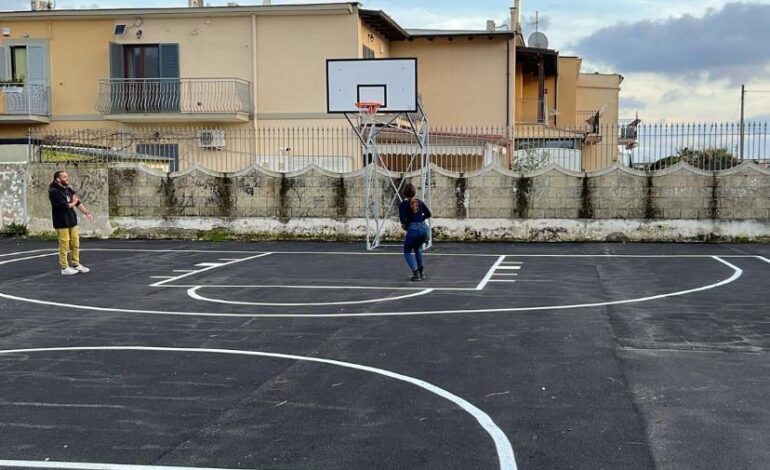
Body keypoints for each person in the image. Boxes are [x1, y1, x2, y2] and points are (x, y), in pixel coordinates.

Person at [48, 170, 94, 276]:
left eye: (67, 176)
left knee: (75, 243)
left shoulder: (68, 190)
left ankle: (76, 264)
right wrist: (73, 202)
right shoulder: (54, 192)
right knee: (64, 244)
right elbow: (65, 206)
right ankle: (64, 267)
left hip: (71, 220)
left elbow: (77, 202)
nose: (67, 178)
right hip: (61, 222)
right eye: (64, 177)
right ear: (57, 179)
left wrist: (87, 212)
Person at [399, 182, 432, 281]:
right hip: (424, 228)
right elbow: (429, 214)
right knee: (417, 248)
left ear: (404, 193)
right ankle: (421, 272)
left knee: (407, 251)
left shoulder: (403, 205)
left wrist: (409, 226)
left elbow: (403, 223)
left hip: (413, 229)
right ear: (414, 192)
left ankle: (416, 273)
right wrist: (421, 219)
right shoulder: (420, 202)